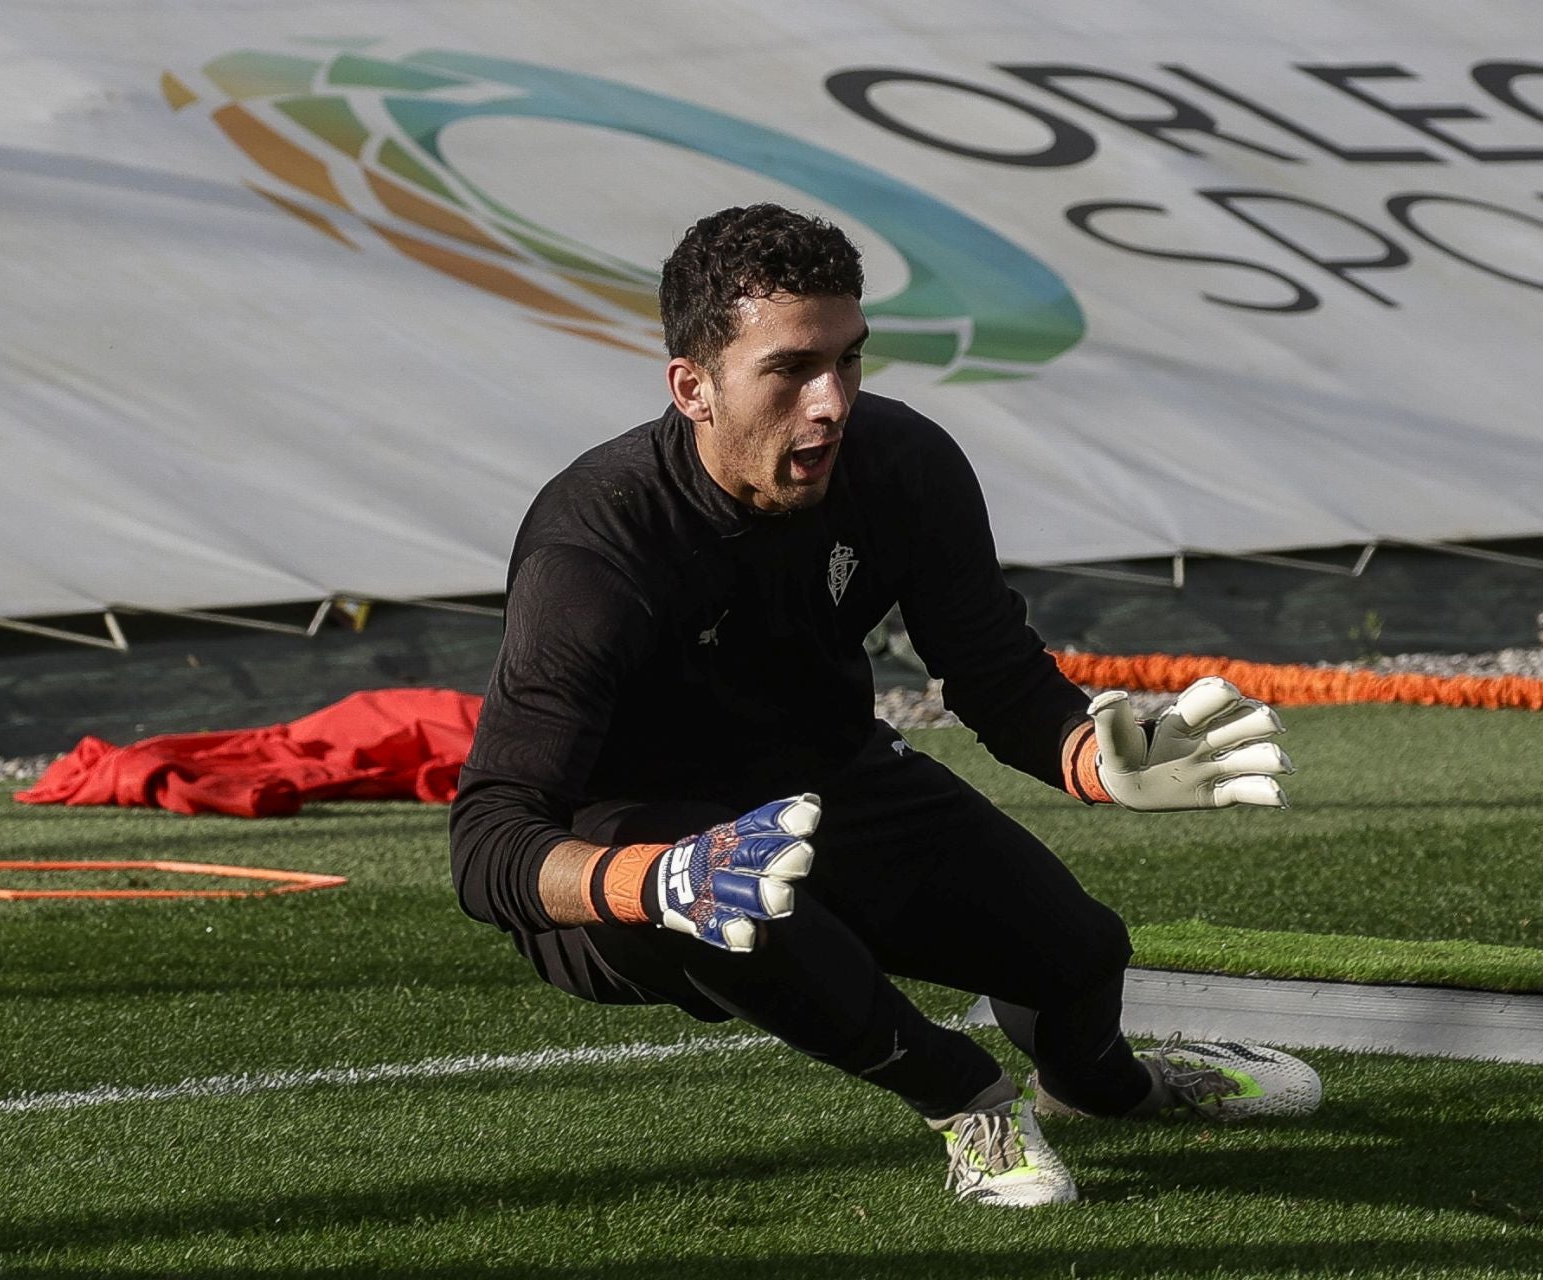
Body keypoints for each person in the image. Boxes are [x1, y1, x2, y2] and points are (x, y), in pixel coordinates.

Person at [449, 203, 1319, 1207]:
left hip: (828, 781)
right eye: (789, 370)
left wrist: (1093, 755)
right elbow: (487, 838)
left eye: (849, 360)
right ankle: (968, 1097)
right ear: (693, 387)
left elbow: (993, 670)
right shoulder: (594, 550)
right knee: (747, 912)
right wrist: (658, 880)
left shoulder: (902, 463)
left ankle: (1108, 1085)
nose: (830, 402)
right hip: (637, 854)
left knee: (1080, 951)